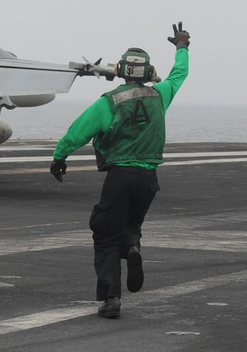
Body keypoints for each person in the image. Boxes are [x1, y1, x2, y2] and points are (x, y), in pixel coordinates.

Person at [49, 22, 190, 319]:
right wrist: (181, 47)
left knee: (105, 235)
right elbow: (180, 75)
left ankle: (111, 298)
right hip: (149, 179)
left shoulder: (109, 102)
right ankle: (133, 247)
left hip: (120, 177)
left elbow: (78, 132)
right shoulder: (160, 94)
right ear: (149, 73)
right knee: (131, 225)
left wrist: (59, 157)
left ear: (121, 70)